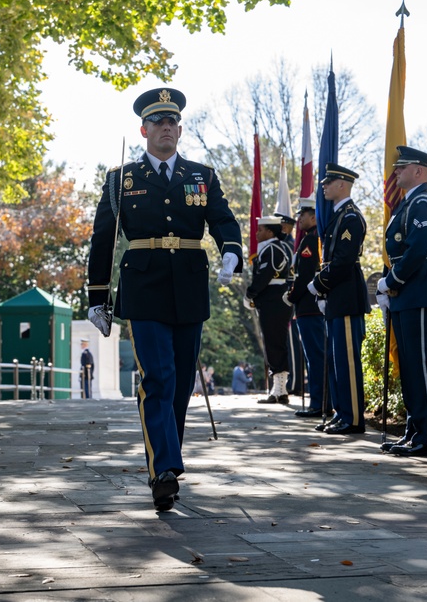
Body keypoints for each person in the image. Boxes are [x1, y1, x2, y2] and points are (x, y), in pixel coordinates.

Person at [86, 87, 243, 512]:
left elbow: (224, 220)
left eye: (172, 121)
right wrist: (97, 295)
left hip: (190, 287)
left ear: (179, 129)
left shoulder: (202, 175)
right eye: (158, 122)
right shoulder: (122, 180)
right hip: (144, 288)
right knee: (157, 377)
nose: (167, 127)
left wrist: (231, 249)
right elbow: (104, 239)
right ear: (144, 129)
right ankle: (164, 471)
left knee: (177, 387)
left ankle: (167, 461)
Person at [376, 146, 427, 457]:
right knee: (408, 366)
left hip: (417, 287)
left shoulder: (423, 202)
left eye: (401, 168)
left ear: (419, 171)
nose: (396, 173)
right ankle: (415, 430)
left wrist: (391, 281)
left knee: (418, 364)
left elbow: (417, 250)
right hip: (406, 289)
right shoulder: (407, 203)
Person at [307, 164, 370, 436]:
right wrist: (323, 290)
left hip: (345, 294)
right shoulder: (338, 215)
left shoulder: (351, 217)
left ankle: (353, 418)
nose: (324, 185)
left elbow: (343, 262)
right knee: (336, 361)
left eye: (329, 181)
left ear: (343, 184)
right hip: (336, 294)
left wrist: (319, 283)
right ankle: (341, 412)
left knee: (347, 361)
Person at [246, 215, 295, 405]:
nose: (257, 233)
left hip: (273, 299)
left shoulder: (273, 248)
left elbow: (265, 275)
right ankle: (279, 390)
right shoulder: (278, 248)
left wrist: (250, 294)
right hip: (274, 299)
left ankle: (280, 390)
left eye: (260, 229)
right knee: (274, 343)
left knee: (274, 343)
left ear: (270, 232)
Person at [287, 198, 328, 419]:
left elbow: (303, 278)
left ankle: (318, 403)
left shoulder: (311, 241)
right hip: (310, 306)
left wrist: (291, 296)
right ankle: (321, 401)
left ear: (314, 216)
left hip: (309, 307)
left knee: (316, 357)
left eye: (303, 214)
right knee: (316, 356)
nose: (299, 219)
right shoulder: (310, 239)